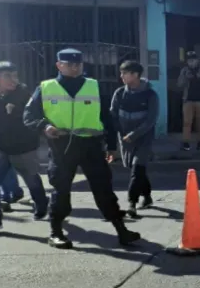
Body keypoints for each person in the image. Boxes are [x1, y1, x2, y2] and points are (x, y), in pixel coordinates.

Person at [22, 48, 140, 249]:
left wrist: (112, 145)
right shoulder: (46, 88)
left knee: (103, 188)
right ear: (59, 65)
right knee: (61, 189)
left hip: (91, 146)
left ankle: (122, 231)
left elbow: (107, 118)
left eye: (78, 64)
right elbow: (28, 116)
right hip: (62, 146)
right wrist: (45, 126)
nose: (75, 68)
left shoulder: (93, 86)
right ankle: (56, 232)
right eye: (70, 64)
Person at [0, 61, 50, 229]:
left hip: (24, 148)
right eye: (7, 76)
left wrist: (15, 112)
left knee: (32, 180)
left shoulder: (23, 94)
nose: (13, 80)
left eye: (15, 75)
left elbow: (32, 117)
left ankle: (42, 205)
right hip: (3, 149)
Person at [110, 60, 159, 218]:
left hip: (143, 137)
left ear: (135, 75)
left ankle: (131, 203)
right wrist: (120, 134)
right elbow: (113, 115)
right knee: (135, 168)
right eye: (121, 73)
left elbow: (151, 120)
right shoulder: (119, 93)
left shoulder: (150, 95)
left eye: (125, 73)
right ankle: (147, 196)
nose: (121, 76)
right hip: (125, 138)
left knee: (138, 167)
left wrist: (134, 135)